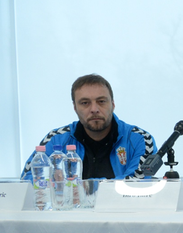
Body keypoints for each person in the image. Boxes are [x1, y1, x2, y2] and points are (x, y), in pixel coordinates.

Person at [21, 74, 156, 180]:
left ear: (113, 104)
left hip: (120, 209)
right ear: (75, 108)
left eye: (101, 101)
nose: (94, 109)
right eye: (85, 103)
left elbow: (137, 183)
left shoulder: (141, 139)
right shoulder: (56, 139)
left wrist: (76, 187)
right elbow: (27, 180)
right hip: (69, 209)